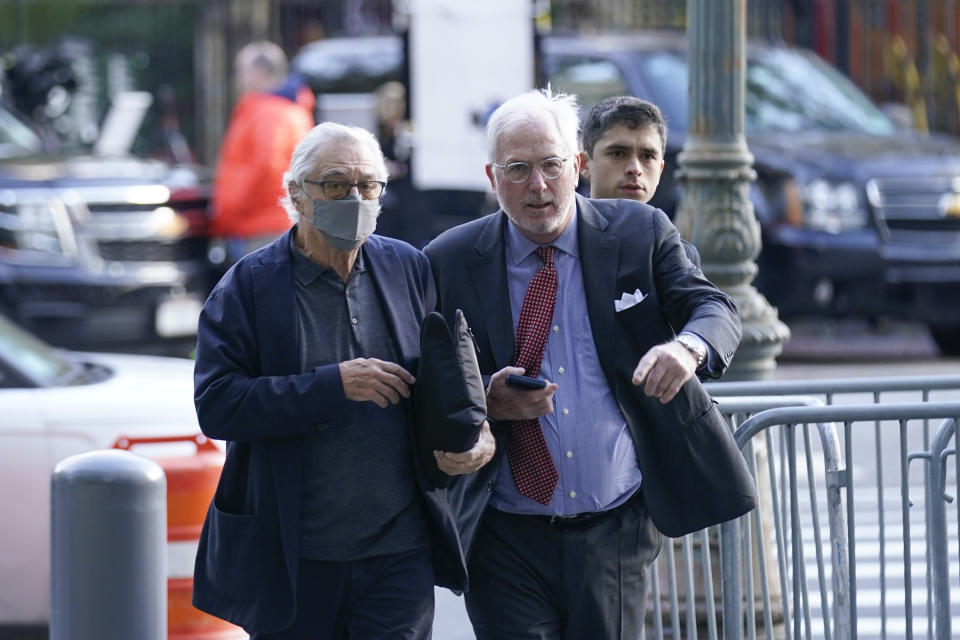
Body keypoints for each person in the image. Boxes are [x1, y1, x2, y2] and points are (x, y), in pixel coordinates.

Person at [424, 88, 757, 639]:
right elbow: (428, 377)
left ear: (577, 166)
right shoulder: (449, 259)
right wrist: (483, 397)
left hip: (615, 527)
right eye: (518, 168)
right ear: (491, 176)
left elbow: (713, 306)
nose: (538, 185)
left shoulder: (638, 233)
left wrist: (685, 348)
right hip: (503, 533)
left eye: (551, 165)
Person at [191, 121, 494, 639]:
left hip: (399, 550)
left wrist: (479, 432)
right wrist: (331, 386)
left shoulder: (408, 268)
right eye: (335, 184)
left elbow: (450, 376)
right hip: (296, 556)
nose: (354, 198)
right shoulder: (250, 286)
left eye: (368, 186)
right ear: (296, 194)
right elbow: (217, 405)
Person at [211, 41, 315, 264]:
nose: (237, 78)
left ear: (260, 72)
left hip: (259, 227)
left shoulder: (267, 113)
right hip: (275, 222)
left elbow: (266, 166)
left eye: (241, 71)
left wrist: (228, 212)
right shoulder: (291, 109)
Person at [580, 95, 701, 267]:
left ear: (660, 169)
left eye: (647, 156)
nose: (635, 169)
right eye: (618, 154)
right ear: (584, 164)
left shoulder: (681, 256)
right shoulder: (560, 243)